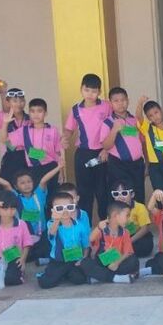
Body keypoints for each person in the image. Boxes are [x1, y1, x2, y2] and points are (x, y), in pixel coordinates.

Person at [0, 163, 61, 264]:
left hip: (42, 233)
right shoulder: (15, 196)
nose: (26, 185)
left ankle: (42, 257)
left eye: (29, 181)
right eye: (22, 183)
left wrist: (59, 167)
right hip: (24, 235)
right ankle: (36, 257)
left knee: (51, 245)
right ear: (16, 187)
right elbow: (6, 184)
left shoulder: (39, 194)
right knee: (20, 254)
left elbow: (44, 180)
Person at [64, 73, 112, 219]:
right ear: (81, 89)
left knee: (102, 191)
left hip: (102, 153)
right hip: (84, 154)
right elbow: (69, 129)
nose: (90, 94)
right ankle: (86, 225)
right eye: (87, 90)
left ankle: (105, 224)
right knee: (84, 192)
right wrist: (65, 138)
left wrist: (106, 150)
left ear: (100, 92)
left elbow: (113, 127)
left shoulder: (106, 106)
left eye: (94, 91)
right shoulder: (75, 110)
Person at [1, 98, 63, 198]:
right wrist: (5, 123)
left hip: (51, 167)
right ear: (29, 113)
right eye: (32, 111)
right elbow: (5, 140)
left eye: (39, 111)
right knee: (37, 197)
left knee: (52, 196)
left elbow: (58, 152)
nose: (36, 114)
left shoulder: (53, 130)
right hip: (34, 169)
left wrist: (61, 171)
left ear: (45, 113)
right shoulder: (24, 131)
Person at [100, 87, 147, 203]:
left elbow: (142, 141)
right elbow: (106, 146)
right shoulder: (108, 122)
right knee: (120, 197)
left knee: (138, 195)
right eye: (116, 101)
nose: (120, 103)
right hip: (118, 166)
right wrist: (114, 130)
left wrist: (147, 162)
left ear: (128, 101)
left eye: (123, 100)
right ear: (110, 103)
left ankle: (138, 215)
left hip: (137, 164)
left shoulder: (134, 120)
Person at [37, 192, 90, 289]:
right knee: (45, 283)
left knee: (80, 279)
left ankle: (64, 274)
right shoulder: (51, 224)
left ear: (74, 207)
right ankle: (54, 273)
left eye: (69, 207)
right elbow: (52, 233)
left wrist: (83, 258)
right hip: (58, 261)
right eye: (59, 208)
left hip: (74, 259)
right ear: (53, 210)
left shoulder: (80, 226)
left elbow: (86, 245)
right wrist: (56, 220)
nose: (65, 211)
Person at [80, 201, 140, 284]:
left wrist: (116, 263)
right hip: (102, 261)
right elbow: (91, 239)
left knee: (134, 261)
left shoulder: (125, 232)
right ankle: (116, 278)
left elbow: (128, 252)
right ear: (115, 215)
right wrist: (98, 228)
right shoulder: (102, 229)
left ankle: (100, 277)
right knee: (85, 263)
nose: (128, 219)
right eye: (127, 215)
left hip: (117, 262)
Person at [0, 84, 30, 187]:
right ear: (8, 103)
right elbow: (4, 140)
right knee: (8, 189)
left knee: (30, 188)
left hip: (30, 154)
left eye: (21, 100)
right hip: (11, 156)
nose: (19, 104)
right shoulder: (4, 117)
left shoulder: (31, 119)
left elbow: (40, 147)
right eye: (15, 101)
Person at [110, 180, 153, 258]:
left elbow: (145, 229)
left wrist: (129, 241)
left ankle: (119, 255)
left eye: (124, 193)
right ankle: (120, 254)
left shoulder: (140, 207)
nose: (120, 197)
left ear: (132, 194)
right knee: (105, 245)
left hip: (138, 237)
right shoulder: (113, 210)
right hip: (122, 237)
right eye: (116, 194)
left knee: (145, 246)